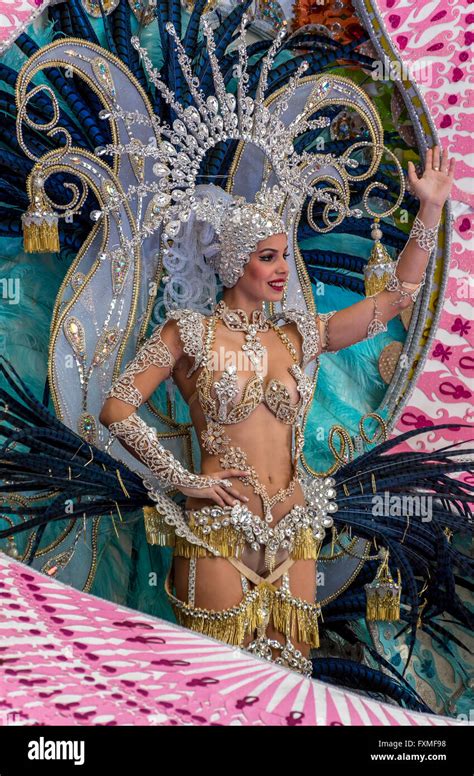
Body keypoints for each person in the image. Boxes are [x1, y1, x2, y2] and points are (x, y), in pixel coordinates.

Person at [98, 144, 454, 677]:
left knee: (291, 683)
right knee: (221, 683)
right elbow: (117, 407)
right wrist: (184, 479)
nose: (283, 268)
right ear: (234, 262)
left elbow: (399, 295)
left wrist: (429, 210)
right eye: (268, 257)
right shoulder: (188, 334)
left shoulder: (299, 335)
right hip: (218, 527)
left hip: (294, 525)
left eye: (285, 255)